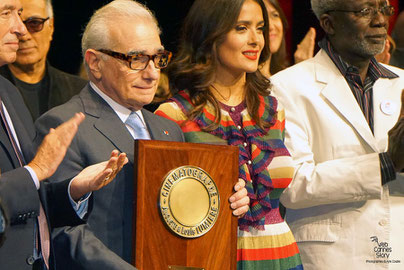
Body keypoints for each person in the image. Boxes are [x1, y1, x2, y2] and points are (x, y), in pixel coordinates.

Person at [35, 0, 250, 268]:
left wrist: (222, 202)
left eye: (158, 59)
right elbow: (63, 232)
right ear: (95, 63)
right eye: (136, 59)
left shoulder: (167, 129)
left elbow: (178, 214)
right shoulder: (63, 125)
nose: (152, 74)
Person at [155, 0, 303, 269]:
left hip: (283, 256)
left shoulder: (273, 110)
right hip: (213, 256)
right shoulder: (174, 115)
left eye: (259, 28)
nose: (255, 39)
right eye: (241, 28)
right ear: (210, 35)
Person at [270, 0, 404, 269]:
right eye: (365, 11)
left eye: (384, 8)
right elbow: (292, 185)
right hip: (332, 258)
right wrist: (385, 164)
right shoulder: (286, 86)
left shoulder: (402, 83)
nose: (380, 20)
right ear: (328, 23)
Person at [0, 0, 128, 268]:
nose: (21, 30)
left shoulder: (7, 92)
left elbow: (32, 207)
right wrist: (36, 170)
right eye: (6, 13)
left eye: (20, 15)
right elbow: (29, 178)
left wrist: (74, 189)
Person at [0, 0, 87, 120]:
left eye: (34, 23)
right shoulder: (3, 88)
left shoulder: (81, 92)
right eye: (16, 21)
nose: (24, 35)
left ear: (51, 27)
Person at [259, 0, 316, 77]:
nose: (271, 26)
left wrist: (301, 69)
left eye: (275, 15)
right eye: (263, 18)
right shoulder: (243, 82)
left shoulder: (284, 76)